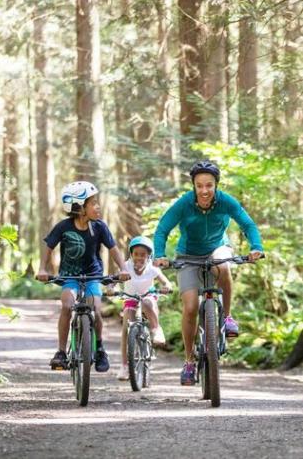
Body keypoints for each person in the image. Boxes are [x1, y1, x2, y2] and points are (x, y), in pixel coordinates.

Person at [153, 160, 263, 386]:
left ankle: (227, 317)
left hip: (216, 249)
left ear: (216, 185)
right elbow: (163, 228)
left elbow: (248, 224)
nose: (204, 190)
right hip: (188, 256)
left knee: (223, 265)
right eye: (199, 185)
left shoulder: (225, 201)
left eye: (209, 185)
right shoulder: (184, 203)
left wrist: (256, 247)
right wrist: (160, 254)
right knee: (191, 307)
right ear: (193, 185)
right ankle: (189, 361)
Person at [37, 181, 130, 373]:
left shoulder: (99, 227)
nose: (97, 206)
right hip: (69, 276)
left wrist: (122, 269)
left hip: (92, 275)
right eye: (92, 203)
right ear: (79, 208)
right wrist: (42, 269)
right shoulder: (63, 227)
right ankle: (61, 352)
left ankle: (100, 348)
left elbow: (113, 249)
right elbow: (48, 246)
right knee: (66, 305)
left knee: (95, 307)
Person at [116, 236, 172, 381]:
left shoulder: (152, 269)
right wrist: (110, 288)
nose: (139, 257)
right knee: (126, 325)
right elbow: (114, 279)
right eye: (136, 254)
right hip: (130, 299)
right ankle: (124, 366)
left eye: (143, 255)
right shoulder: (126, 267)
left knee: (147, 303)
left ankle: (156, 329)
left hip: (148, 298)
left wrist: (166, 287)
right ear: (131, 254)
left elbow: (166, 282)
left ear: (149, 256)